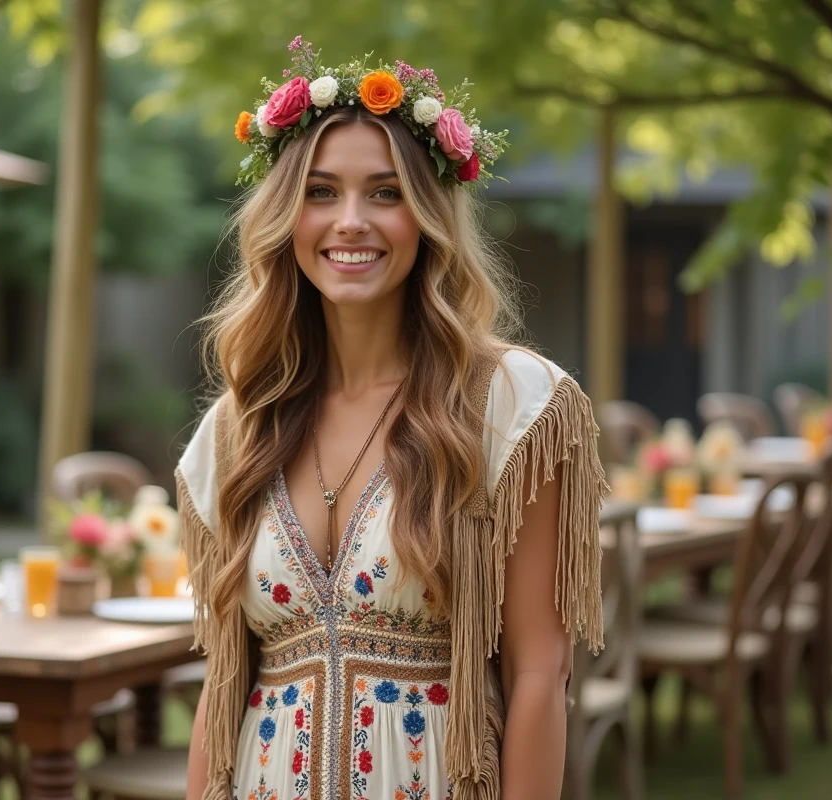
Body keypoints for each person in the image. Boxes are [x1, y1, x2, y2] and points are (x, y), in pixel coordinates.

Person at [177, 37, 607, 800]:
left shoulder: (511, 407)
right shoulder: (235, 431)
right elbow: (223, 685)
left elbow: (541, 673)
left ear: (429, 217)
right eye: (320, 192)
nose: (351, 221)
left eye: (384, 193)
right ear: (285, 217)